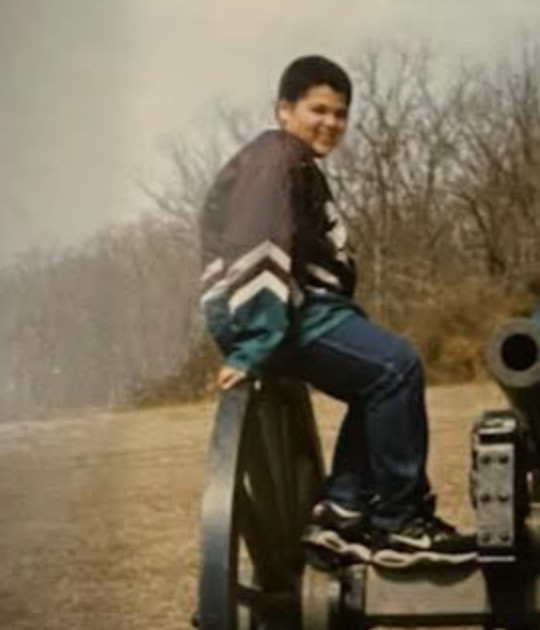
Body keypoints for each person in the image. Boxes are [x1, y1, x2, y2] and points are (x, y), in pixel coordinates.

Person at [200, 55, 476, 568]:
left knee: (376, 379)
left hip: (302, 307)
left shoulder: (293, 163)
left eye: (340, 114)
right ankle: (400, 521)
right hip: (281, 312)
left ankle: (342, 512)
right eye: (317, 110)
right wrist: (255, 343)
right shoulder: (275, 159)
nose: (330, 123)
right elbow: (260, 244)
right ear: (284, 109)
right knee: (395, 366)